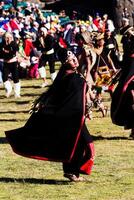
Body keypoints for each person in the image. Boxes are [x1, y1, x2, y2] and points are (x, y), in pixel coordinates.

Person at [5, 48, 95, 182]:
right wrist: (89, 65)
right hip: (71, 118)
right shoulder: (72, 77)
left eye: (74, 57)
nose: (74, 60)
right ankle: (72, 172)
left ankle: (72, 172)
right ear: (65, 63)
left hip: (72, 117)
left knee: (78, 144)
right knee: (87, 145)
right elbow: (82, 88)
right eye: (71, 59)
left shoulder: (68, 75)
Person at [111, 26, 134, 139]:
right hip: (129, 74)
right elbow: (124, 63)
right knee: (127, 99)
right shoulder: (127, 44)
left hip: (131, 73)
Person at [0, 31, 21, 98]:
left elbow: (12, 54)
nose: (8, 39)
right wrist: (5, 51)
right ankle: (9, 89)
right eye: (6, 37)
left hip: (13, 62)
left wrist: (5, 51)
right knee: (4, 78)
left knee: (15, 78)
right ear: (4, 38)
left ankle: (17, 93)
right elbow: (1, 54)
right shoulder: (1, 44)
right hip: (6, 63)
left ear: (12, 37)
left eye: (9, 37)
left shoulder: (14, 44)